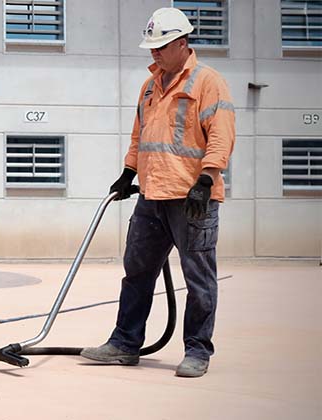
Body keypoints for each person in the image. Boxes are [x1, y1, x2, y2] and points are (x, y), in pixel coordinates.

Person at [80, 7, 235, 378]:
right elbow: (140, 135)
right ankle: (124, 343)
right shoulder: (149, 86)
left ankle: (197, 351)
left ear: (183, 42)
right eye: (151, 46)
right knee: (136, 271)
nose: (154, 52)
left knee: (198, 279)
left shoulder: (207, 82)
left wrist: (206, 179)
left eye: (161, 45)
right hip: (152, 196)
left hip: (192, 199)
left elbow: (221, 134)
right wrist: (128, 170)